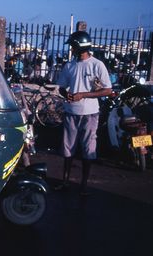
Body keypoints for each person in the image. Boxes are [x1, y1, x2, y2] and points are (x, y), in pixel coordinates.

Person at [55, 31, 112, 196]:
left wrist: (83, 95)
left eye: (73, 46)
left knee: (88, 150)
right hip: (71, 112)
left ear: (80, 47)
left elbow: (107, 90)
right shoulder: (69, 66)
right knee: (68, 149)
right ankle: (65, 181)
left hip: (90, 114)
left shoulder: (97, 65)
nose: (71, 49)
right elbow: (61, 87)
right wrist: (68, 95)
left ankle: (84, 185)